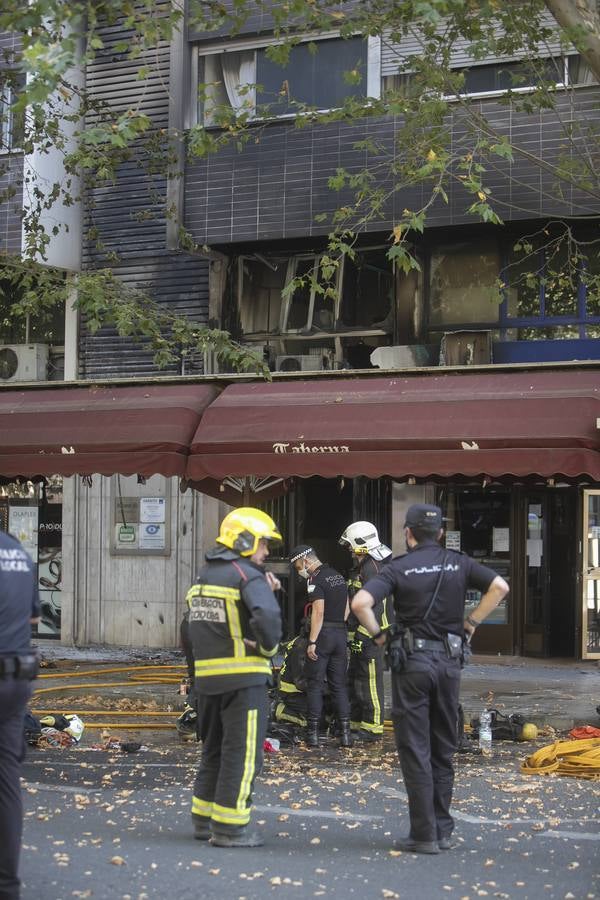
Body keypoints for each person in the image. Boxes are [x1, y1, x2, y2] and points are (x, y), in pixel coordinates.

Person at [351, 503, 509, 854]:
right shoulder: (458, 562)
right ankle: (442, 829)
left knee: (415, 747)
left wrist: (379, 637)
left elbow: (361, 603)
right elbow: (499, 586)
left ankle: (423, 834)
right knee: (442, 746)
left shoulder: (398, 567)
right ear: (439, 533)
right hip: (448, 663)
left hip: (412, 665)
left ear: (408, 534)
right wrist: (470, 623)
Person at [187, 507, 283, 848]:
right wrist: (270, 650)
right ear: (244, 540)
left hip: (208, 682)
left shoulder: (204, 577)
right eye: (263, 544)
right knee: (242, 755)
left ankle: (203, 820)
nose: (267, 552)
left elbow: (189, 630)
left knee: (213, 750)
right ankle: (230, 827)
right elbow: (268, 619)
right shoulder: (247, 575)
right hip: (244, 682)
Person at [0, 527, 40, 899]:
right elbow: (31, 620)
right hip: (15, 679)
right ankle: (7, 886)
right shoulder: (17, 552)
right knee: (6, 782)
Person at [290, 545, 352, 749]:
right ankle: (345, 736)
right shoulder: (338, 576)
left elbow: (318, 612)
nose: (299, 569)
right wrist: (339, 627)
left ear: (306, 560)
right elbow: (347, 608)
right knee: (339, 685)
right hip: (340, 634)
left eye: (298, 565)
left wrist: (313, 641)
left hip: (323, 635)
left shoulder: (315, 580)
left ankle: (313, 734)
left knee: (315, 684)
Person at [340, 521, 393, 742]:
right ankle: (356, 722)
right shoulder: (363, 567)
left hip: (372, 634)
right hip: (359, 632)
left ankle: (373, 728)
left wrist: (364, 634)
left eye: (351, 545)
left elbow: (376, 606)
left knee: (370, 680)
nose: (349, 550)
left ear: (361, 544)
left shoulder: (373, 568)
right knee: (355, 679)